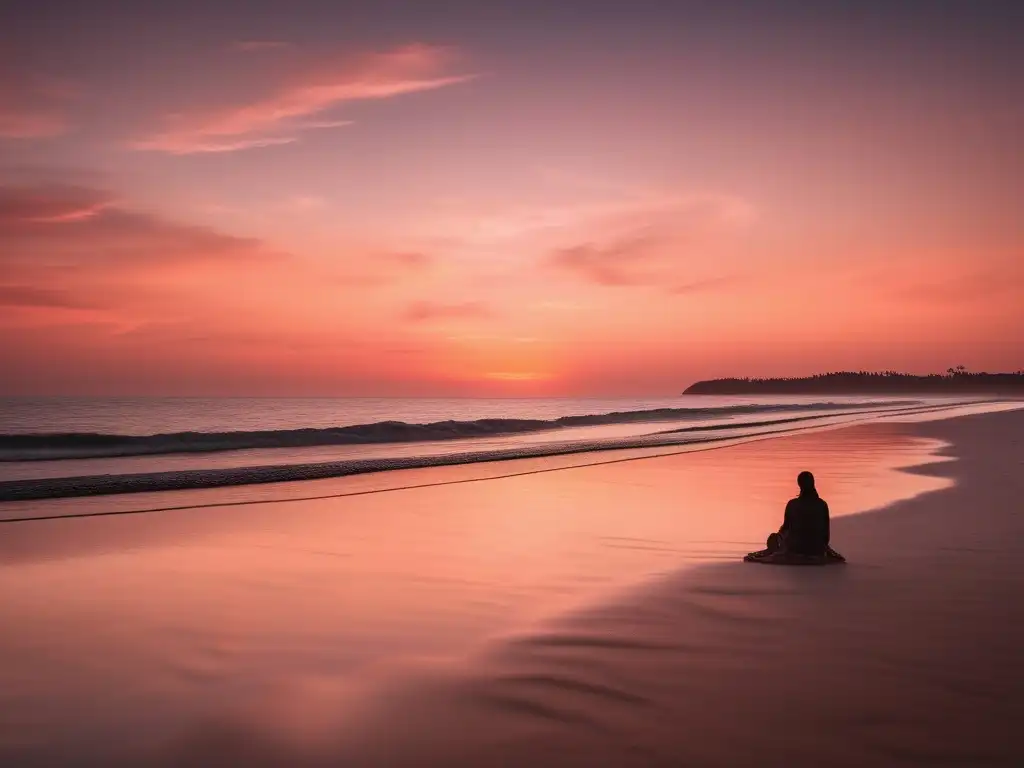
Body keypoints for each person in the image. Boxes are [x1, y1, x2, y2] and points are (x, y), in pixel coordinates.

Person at [765, 471, 830, 556]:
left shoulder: (792, 504)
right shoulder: (822, 504)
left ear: (799, 484)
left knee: (773, 537)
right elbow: (826, 535)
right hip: (817, 548)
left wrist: (780, 535)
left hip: (795, 548)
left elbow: (786, 528)